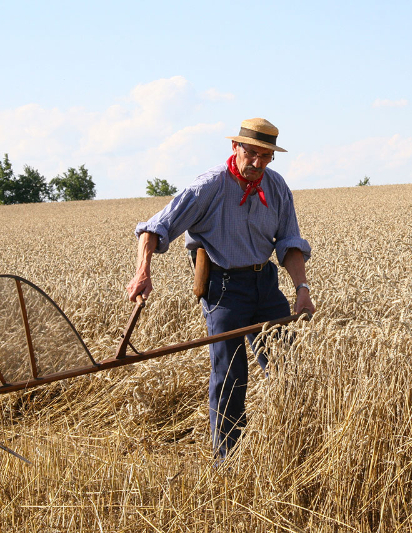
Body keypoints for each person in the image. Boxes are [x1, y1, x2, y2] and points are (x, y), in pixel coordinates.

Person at [126, 118, 315, 459]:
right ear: (235, 147)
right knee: (230, 375)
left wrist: (301, 288)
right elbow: (154, 228)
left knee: (289, 369)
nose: (258, 163)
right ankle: (227, 462)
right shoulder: (208, 187)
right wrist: (143, 272)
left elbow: (289, 242)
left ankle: (293, 450)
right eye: (252, 154)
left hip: (265, 285)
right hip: (224, 289)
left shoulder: (276, 188)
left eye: (266, 157)